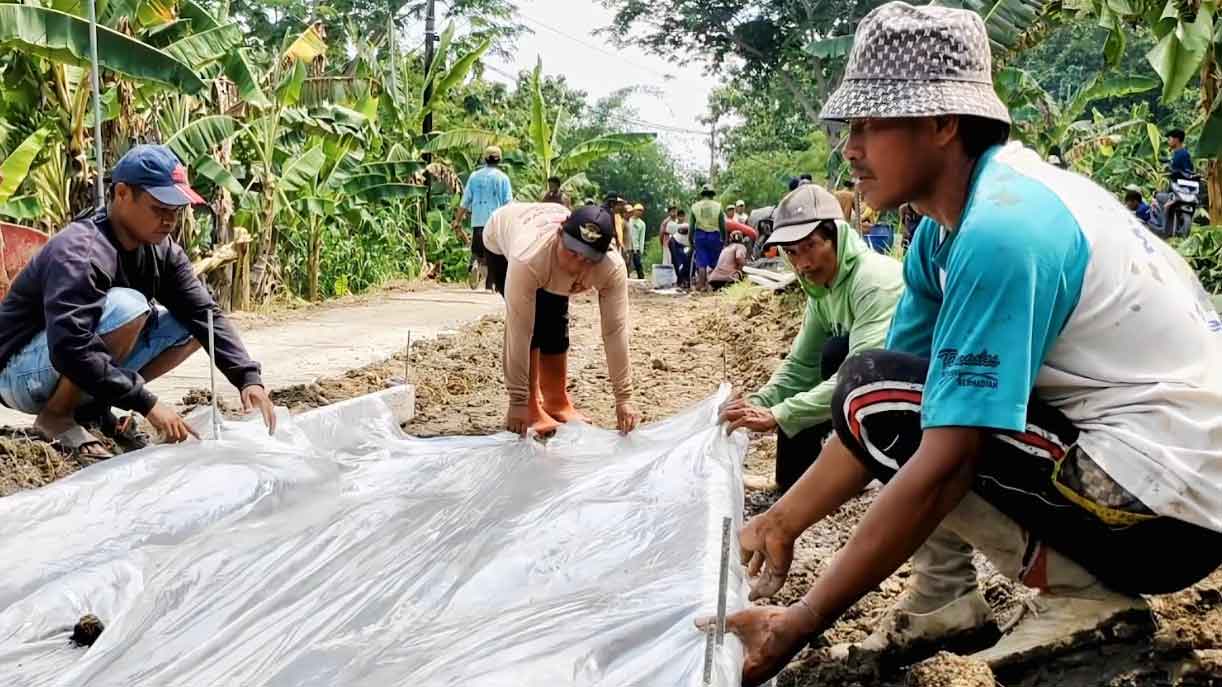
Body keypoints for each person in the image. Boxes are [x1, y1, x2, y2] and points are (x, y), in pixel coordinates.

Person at [710, 4, 1222, 685]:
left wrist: (802, 617)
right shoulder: (943, 234)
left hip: (1167, 512)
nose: (849, 149)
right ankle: (943, 598)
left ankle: (1084, 597)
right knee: (887, 390)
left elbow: (938, 458)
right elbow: (885, 409)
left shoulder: (1002, 233)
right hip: (1144, 477)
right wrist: (781, 519)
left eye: (870, 125)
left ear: (942, 124)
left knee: (894, 404)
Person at [0, 145, 275, 459]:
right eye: (159, 208)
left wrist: (247, 379)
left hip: (64, 361)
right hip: (19, 372)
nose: (169, 221)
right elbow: (69, 347)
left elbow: (204, 313)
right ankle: (57, 416)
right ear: (122, 194)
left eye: (175, 211)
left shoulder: (162, 251)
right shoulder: (82, 251)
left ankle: (93, 409)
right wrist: (146, 403)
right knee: (128, 307)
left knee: (193, 325)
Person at [719, 184, 903, 491]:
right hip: (872, 379)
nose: (803, 263)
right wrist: (758, 402)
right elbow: (801, 366)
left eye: (811, 246)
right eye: (792, 252)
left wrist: (778, 414)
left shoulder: (873, 282)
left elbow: (860, 379)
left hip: (914, 394)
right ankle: (792, 479)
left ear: (836, 236)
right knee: (827, 355)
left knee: (837, 355)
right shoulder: (820, 287)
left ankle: (870, 467)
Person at [482, 203, 640, 437]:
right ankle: (531, 404)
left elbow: (614, 331)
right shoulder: (528, 257)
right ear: (559, 235)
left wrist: (624, 398)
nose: (576, 264)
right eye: (572, 251)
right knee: (533, 320)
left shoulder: (611, 268)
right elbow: (519, 328)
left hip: (546, 253)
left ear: (605, 254)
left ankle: (556, 400)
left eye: (588, 258)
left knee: (555, 316)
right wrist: (517, 400)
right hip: (501, 236)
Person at [454, 145, 513, 291]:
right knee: (493, 254)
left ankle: (474, 265)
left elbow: (465, 201)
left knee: (477, 251)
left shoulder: (475, 176)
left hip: (478, 221)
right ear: (499, 159)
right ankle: (490, 285)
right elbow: (508, 204)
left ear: (485, 159)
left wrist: (457, 220)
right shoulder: (503, 178)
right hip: (496, 223)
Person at [689, 185, 726, 291]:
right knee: (715, 261)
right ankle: (714, 285)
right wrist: (724, 239)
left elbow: (691, 226)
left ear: (702, 195)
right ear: (712, 195)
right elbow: (722, 225)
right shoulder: (718, 206)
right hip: (714, 236)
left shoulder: (695, 206)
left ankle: (702, 285)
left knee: (701, 261)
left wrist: (691, 240)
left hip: (700, 236)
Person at [669, 210, 692, 289]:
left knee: (687, 261)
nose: (681, 217)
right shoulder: (676, 226)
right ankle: (680, 279)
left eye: (683, 216)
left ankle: (685, 279)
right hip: (675, 242)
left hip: (684, 244)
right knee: (676, 262)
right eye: (680, 216)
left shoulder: (689, 227)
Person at [627, 203, 647, 279]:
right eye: (638, 210)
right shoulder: (629, 220)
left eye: (641, 211)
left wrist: (640, 250)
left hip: (636, 247)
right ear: (634, 210)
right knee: (627, 263)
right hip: (628, 246)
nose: (640, 212)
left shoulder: (642, 224)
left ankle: (641, 278)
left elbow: (642, 238)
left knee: (638, 264)